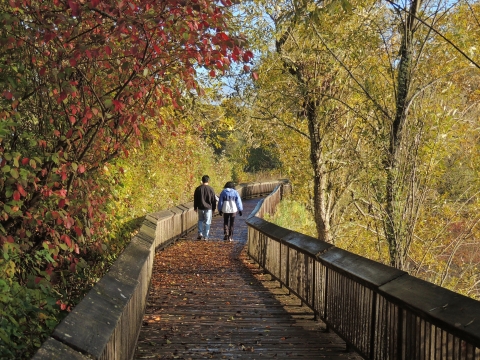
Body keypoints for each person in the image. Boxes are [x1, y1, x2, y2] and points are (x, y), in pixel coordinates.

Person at [193, 175, 217, 240]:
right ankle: (206, 236)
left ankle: (200, 233)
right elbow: (213, 200)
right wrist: (214, 208)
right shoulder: (211, 189)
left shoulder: (198, 189)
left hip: (200, 207)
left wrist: (195, 207)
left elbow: (195, 199)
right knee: (207, 222)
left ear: (202, 180)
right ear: (208, 181)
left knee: (200, 220)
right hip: (208, 208)